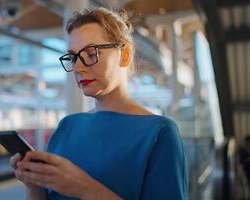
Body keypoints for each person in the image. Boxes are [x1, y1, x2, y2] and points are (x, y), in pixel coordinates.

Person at [10, 7, 189, 200]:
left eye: (91, 53)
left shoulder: (159, 132)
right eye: (73, 57)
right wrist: (33, 184)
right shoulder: (67, 126)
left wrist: (83, 187)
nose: (78, 67)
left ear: (125, 55)